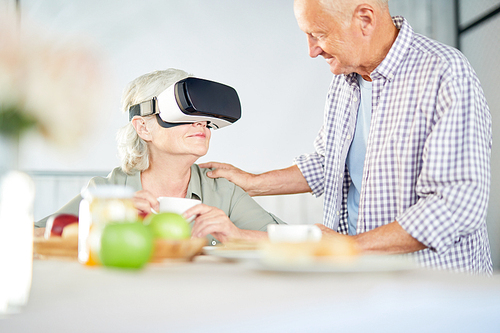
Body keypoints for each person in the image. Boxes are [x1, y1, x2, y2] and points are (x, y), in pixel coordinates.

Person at [199, 0, 492, 274]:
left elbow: (455, 205)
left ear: (365, 20)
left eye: (318, 34)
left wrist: (349, 247)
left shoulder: (444, 72)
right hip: (358, 276)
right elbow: (330, 163)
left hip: (429, 286)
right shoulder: (345, 79)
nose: (312, 50)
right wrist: (253, 183)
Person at [35, 68, 285, 244]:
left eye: (204, 117)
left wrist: (239, 235)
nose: (201, 124)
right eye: (185, 114)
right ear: (143, 127)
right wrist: (100, 222)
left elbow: (296, 242)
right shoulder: (108, 192)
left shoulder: (223, 192)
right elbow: (29, 235)